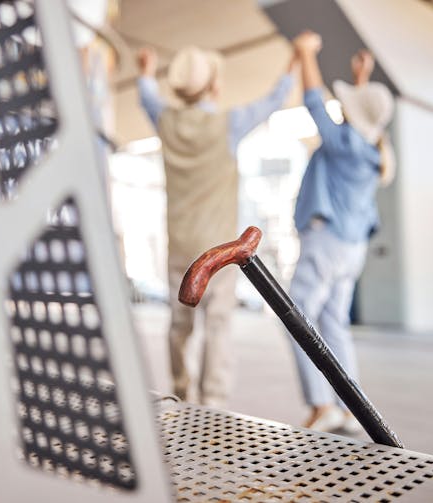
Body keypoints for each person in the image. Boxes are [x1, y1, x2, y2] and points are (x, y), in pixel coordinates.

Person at [136, 45, 296, 407]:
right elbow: (275, 98)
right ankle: (213, 401)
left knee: (179, 325)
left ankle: (181, 391)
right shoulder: (229, 123)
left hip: (179, 243)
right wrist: (296, 59)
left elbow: (146, 93)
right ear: (214, 87)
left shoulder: (164, 119)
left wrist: (146, 69)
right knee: (218, 324)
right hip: (220, 249)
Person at [289, 31, 395, 432]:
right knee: (334, 321)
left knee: (297, 312)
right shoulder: (372, 149)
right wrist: (361, 80)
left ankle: (320, 405)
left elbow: (314, 101)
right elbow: (362, 116)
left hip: (327, 242)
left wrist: (305, 54)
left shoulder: (345, 144)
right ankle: (351, 408)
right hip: (352, 250)